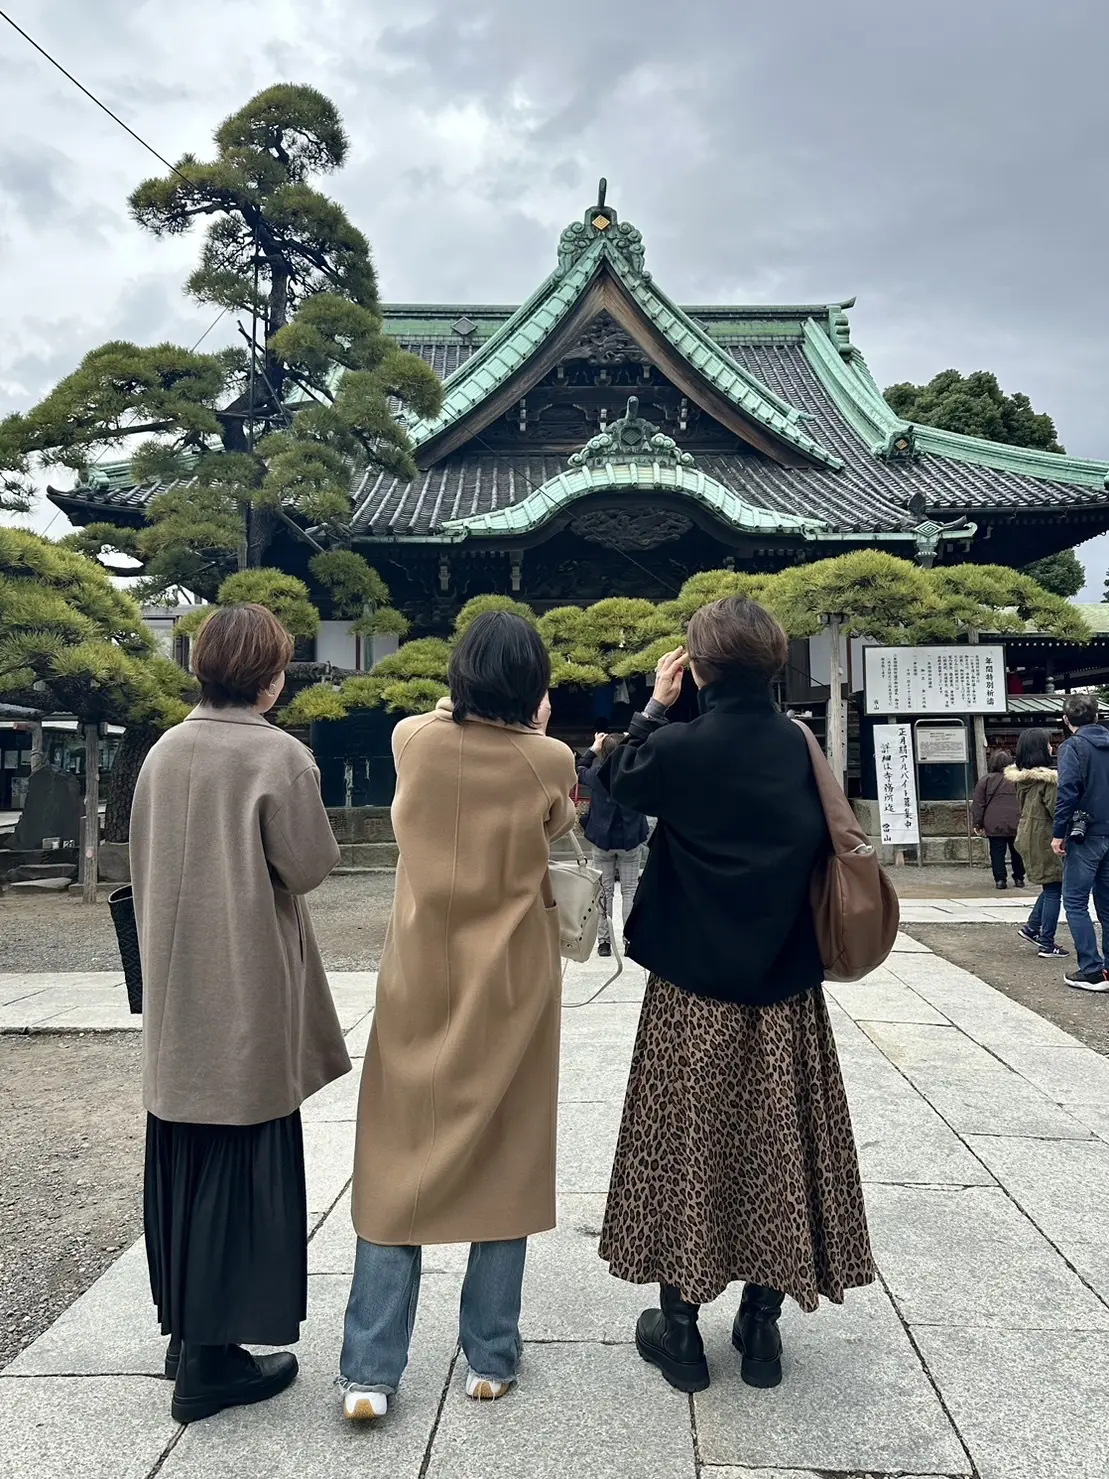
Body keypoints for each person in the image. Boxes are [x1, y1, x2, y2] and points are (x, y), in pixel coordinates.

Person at [596, 596, 874, 1394]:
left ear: (699, 665)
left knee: (686, 1142)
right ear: (774, 662)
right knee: (779, 1141)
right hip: (784, 986)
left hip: (690, 991)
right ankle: (761, 1325)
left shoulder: (681, 747)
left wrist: (656, 700)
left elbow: (617, 774)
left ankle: (678, 1327)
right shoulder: (798, 745)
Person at [340, 611, 577, 1421]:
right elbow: (560, 824)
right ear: (532, 686)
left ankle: (369, 1371)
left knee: (392, 1156)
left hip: (417, 976)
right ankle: (489, 1358)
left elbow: (435, 720)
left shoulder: (413, 738)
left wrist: (462, 706)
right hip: (509, 981)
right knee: (503, 1156)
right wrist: (530, 724)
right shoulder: (548, 758)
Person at [130, 603, 349, 1425]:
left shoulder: (163, 750)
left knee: (183, 1149)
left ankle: (187, 1332)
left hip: (178, 986)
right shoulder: (278, 755)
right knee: (243, 1152)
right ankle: (212, 1363)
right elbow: (310, 865)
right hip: (245, 983)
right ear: (271, 676)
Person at [1053, 693, 1109, 992]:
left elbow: (1068, 791)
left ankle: (1092, 969)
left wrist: (1058, 832)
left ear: (1066, 720)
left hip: (1085, 834)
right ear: (1097, 716)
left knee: (1075, 901)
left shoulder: (1072, 747)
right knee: (1108, 904)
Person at [577, 732, 650, 957]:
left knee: (604, 892)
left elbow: (579, 770)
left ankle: (604, 942)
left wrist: (594, 748)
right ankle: (629, 939)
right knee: (629, 890)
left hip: (603, 840)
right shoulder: (638, 774)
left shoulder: (597, 774)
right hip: (629, 839)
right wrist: (634, 743)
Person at [1008, 729, 1066, 960]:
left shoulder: (1022, 779)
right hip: (1045, 837)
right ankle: (1047, 942)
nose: (1052, 747)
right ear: (1040, 749)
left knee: (1050, 885)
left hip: (1028, 835)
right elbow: (1056, 810)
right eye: (1048, 744)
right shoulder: (1049, 781)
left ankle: (1032, 927)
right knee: (1054, 888)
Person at [972, 749, 1024, 890]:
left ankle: (1000, 880)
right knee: (1017, 851)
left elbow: (978, 804)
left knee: (996, 852)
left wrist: (978, 823)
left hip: (993, 822)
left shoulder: (985, 781)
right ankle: (1019, 878)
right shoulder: (1018, 780)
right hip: (1016, 820)